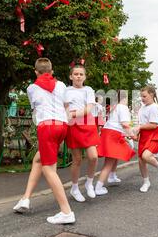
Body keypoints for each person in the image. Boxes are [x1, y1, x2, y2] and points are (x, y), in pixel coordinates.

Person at [13, 58, 74, 224]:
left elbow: (35, 109)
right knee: (38, 159)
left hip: (47, 127)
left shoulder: (31, 88)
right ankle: (25, 199)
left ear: (36, 71)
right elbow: (67, 107)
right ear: (51, 71)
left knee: (49, 170)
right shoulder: (61, 85)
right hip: (61, 126)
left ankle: (66, 211)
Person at [64, 65, 100, 202]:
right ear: (71, 76)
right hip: (73, 127)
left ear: (84, 77)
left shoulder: (88, 90)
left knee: (93, 157)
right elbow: (64, 108)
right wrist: (69, 115)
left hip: (87, 124)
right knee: (77, 159)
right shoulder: (66, 91)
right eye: (76, 74)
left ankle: (89, 183)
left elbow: (88, 109)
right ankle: (74, 188)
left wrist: (71, 114)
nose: (78, 76)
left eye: (81, 74)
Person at [94, 90, 135, 195]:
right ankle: (98, 187)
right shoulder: (123, 107)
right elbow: (125, 124)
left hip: (108, 132)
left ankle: (112, 176)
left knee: (115, 156)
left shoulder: (114, 106)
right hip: (113, 134)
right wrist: (132, 135)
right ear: (125, 98)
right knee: (109, 162)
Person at [131, 86, 158, 193]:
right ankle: (146, 182)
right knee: (141, 161)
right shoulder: (142, 108)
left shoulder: (154, 107)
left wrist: (139, 128)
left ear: (151, 95)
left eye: (144, 96)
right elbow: (141, 124)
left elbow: (153, 125)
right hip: (145, 134)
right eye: (141, 96)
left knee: (146, 156)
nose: (142, 98)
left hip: (155, 133)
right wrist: (137, 133)